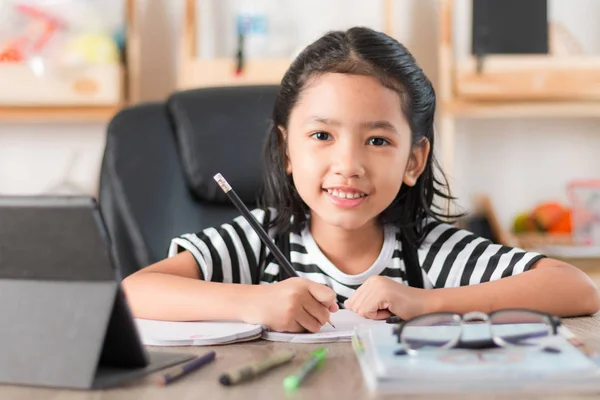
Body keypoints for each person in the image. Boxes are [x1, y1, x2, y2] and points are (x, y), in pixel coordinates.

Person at [122, 27, 600, 333]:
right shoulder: (258, 238)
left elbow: (575, 288)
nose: (348, 164)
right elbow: (134, 290)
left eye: (377, 141)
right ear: (288, 150)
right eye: (322, 135)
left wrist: (426, 302)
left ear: (414, 161)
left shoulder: (430, 251)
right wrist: (254, 302)